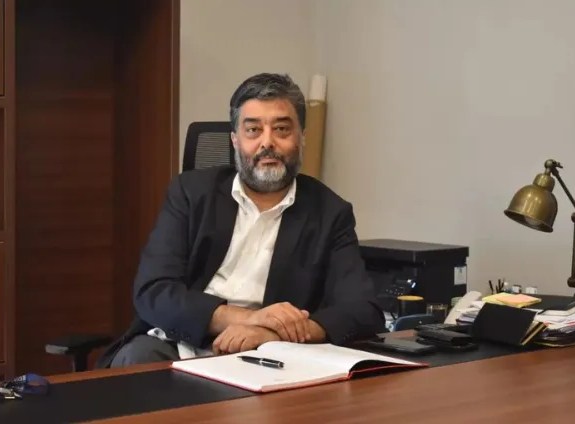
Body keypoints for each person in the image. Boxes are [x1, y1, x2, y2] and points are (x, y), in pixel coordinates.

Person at [99, 73, 384, 367]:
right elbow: (154, 291)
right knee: (138, 360)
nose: (267, 142)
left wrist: (272, 333)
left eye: (282, 129)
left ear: (302, 138)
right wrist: (247, 318)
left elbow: (363, 310)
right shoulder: (191, 193)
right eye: (253, 130)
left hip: (267, 356)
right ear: (235, 140)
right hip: (180, 342)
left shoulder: (329, 212)